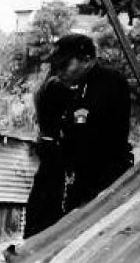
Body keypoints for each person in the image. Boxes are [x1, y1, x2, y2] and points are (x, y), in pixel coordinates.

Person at [50, 33, 132, 212]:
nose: (60, 72)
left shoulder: (111, 82)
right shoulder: (75, 88)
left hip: (105, 179)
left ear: (86, 60)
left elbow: (113, 138)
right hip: (79, 179)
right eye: (57, 67)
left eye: (65, 65)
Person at [23, 73, 73, 238]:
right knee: (51, 196)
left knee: (42, 192)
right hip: (53, 146)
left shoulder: (44, 86)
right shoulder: (56, 87)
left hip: (46, 143)